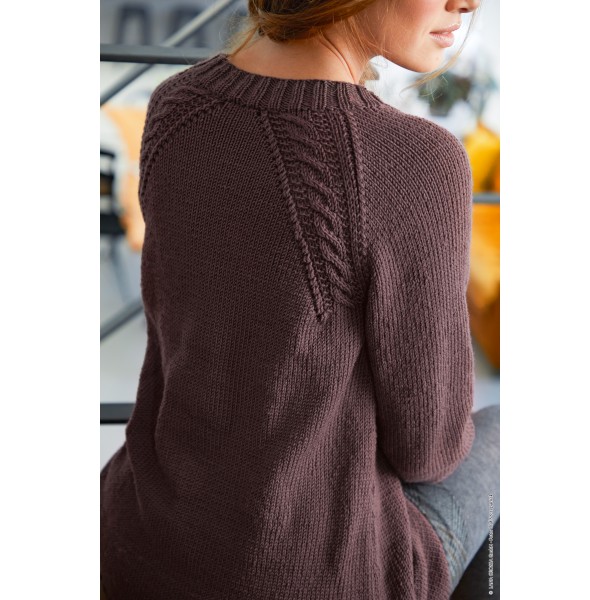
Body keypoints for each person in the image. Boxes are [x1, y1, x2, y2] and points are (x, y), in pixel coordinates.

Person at [100, 0, 500, 598]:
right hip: (316, 574)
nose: (467, 3)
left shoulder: (176, 106)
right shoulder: (419, 163)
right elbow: (429, 451)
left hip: (139, 540)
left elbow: (176, 336)